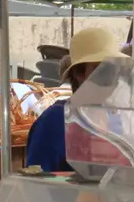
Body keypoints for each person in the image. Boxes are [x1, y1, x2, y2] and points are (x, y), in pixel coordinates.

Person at [25, 29, 121, 173]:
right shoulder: (55, 121)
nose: (112, 77)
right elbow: (36, 183)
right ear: (79, 73)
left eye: (114, 68)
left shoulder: (114, 117)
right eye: (102, 69)